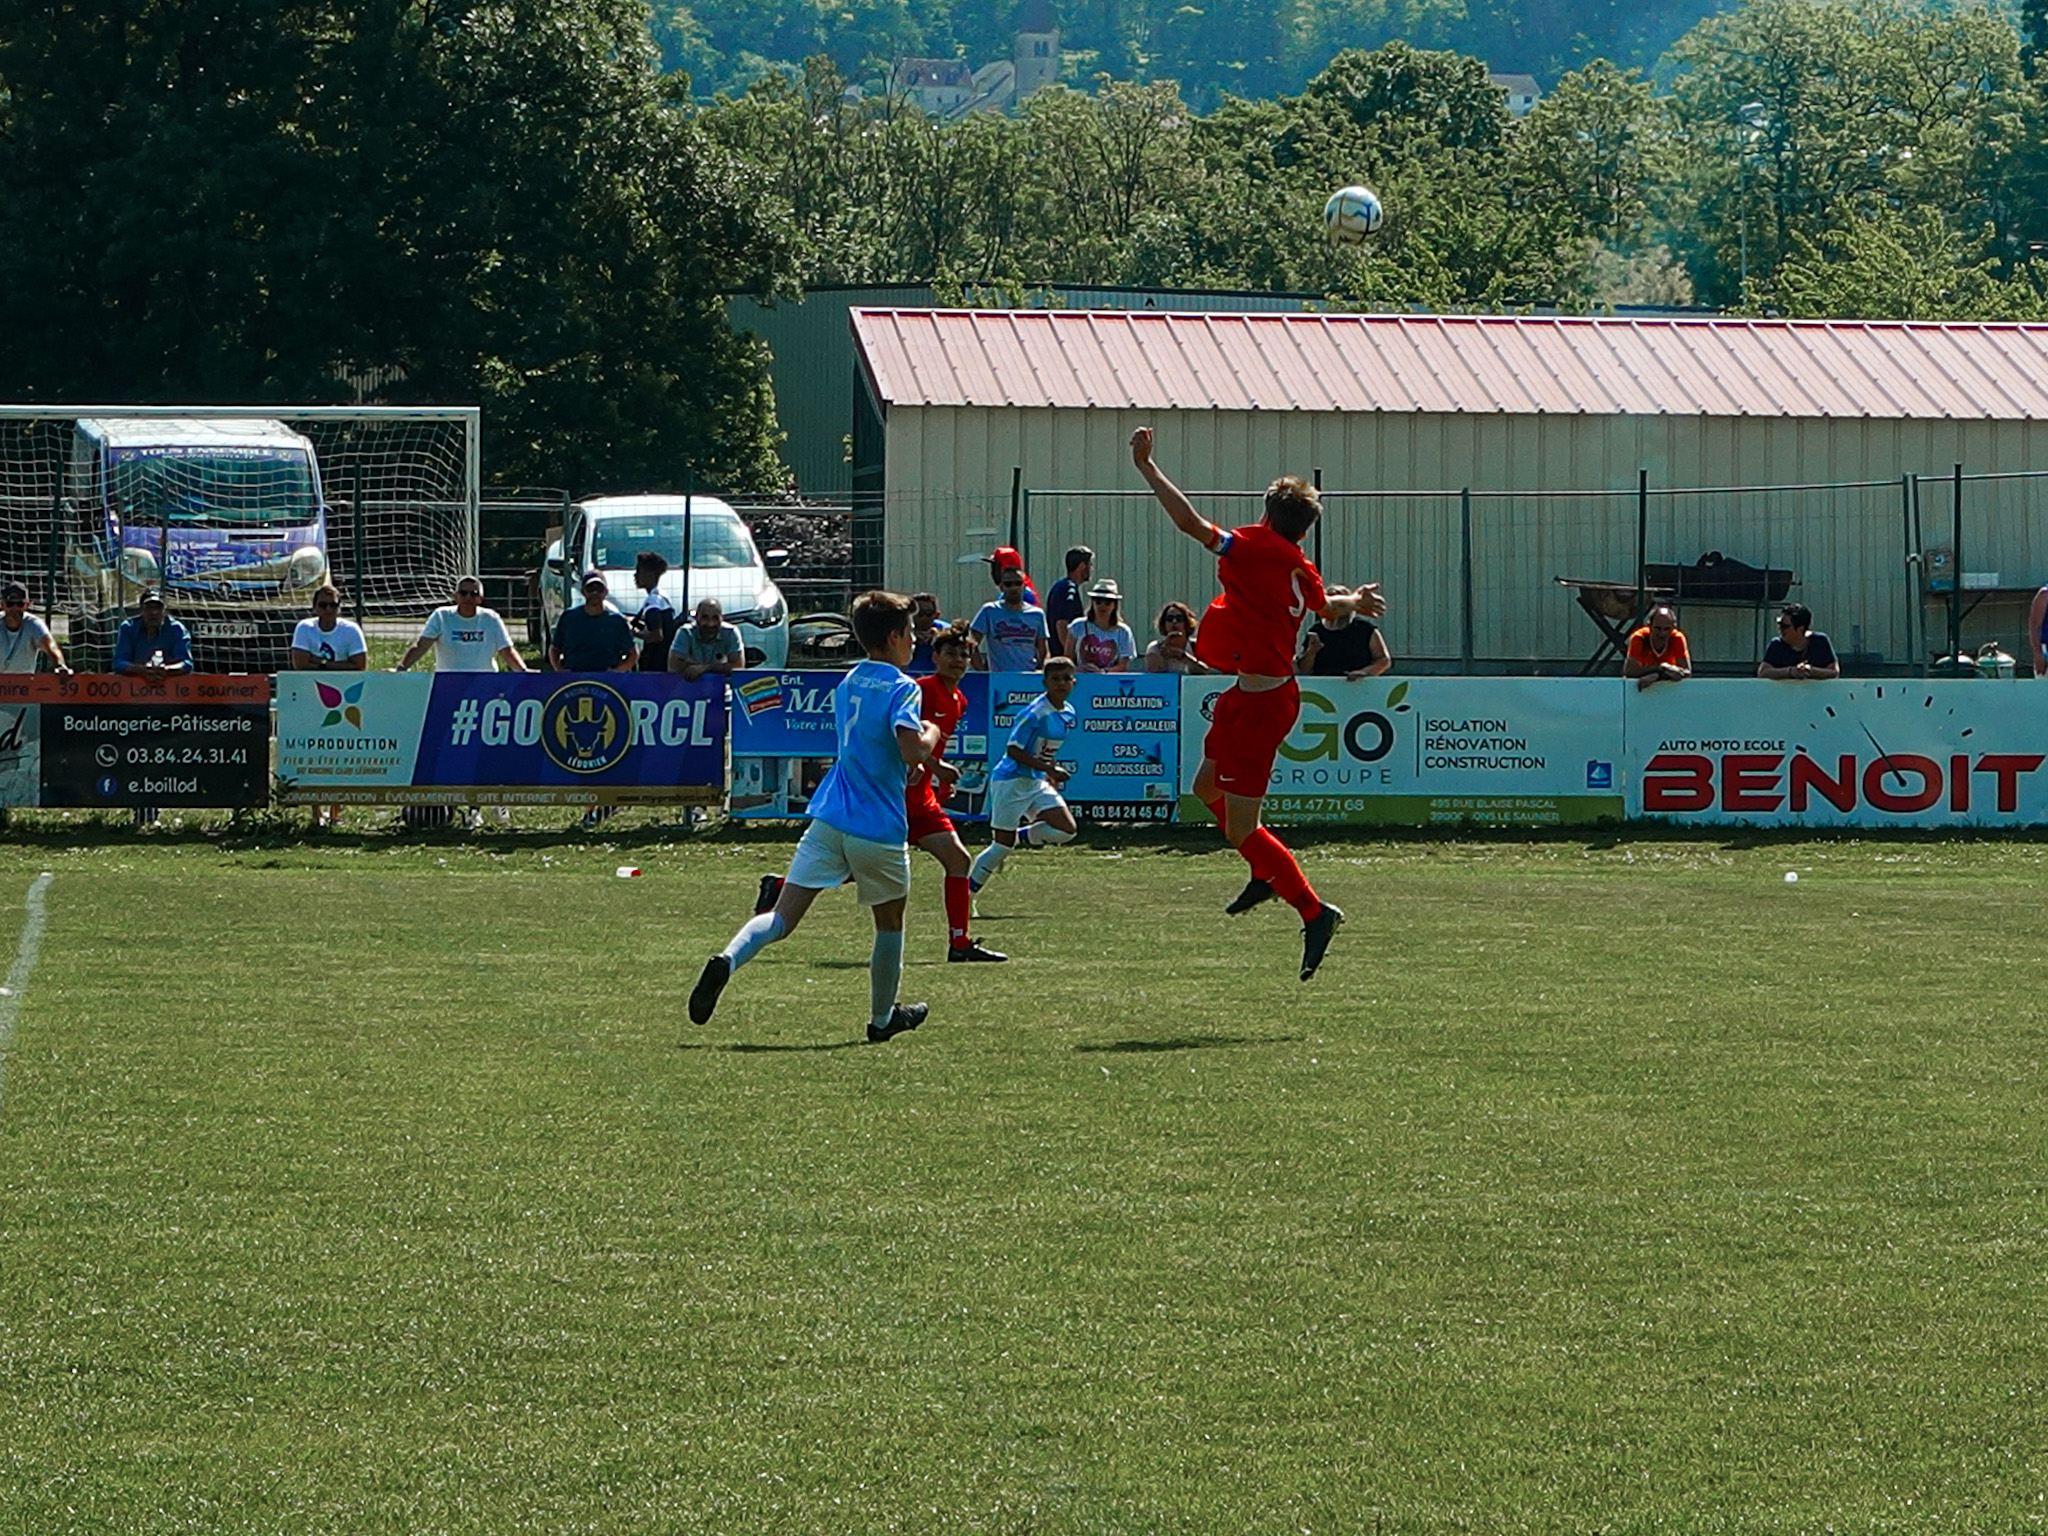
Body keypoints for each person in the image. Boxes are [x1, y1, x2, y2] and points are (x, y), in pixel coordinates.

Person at [1130, 426, 1382, 982]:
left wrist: (1148, 469)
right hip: (1250, 695)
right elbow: (1324, 607)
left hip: (1265, 703)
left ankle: (1314, 911)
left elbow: (1190, 524)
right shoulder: (1299, 564)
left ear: (1266, 512)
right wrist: (1355, 600)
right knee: (1204, 790)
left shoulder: (1249, 545)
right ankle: (1265, 872)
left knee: (1244, 828)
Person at [689, 589, 941, 1044]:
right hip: (878, 825)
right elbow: (908, 748)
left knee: (782, 918)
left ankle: (726, 959)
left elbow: (872, 743)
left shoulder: (850, 681)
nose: (916, 642)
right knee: (890, 924)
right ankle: (883, 1019)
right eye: (910, 633)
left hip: (829, 817)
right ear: (893, 637)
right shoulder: (903, 687)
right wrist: (932, 734)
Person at [755, 622, 1005, 963]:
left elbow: (930, 750)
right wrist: (931, 767)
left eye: (964, 654)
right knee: (862, 868)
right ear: (935, 657)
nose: (958, 660)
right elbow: (907, 741)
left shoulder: (958, 699)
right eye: (950, 654)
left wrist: (939, 780)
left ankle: (959, 944)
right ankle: (784, 888)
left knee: (958, 860)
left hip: (921, 801)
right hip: (892, 800)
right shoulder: (922, 690)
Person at [968, 655, 1079, 900]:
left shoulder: (1069, 712)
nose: (1061, 683)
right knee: (1001, 847)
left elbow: (1044, 748)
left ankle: (1022, 836)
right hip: (1011, 781)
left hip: (1036, 781)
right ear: (1045, 682)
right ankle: (966, 894)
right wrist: (1049, 770)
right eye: (1055, 679)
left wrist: (1048, 770)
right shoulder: (1034, 713)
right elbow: (1013, 750)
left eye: (1066, 678)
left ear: (1074, 682)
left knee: (1067, 830)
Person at [393, 577, 528, 673]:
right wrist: (401, 668)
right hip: (448, 681)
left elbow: (506, 651)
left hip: (484, 681)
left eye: (473, 594)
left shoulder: (491, 618)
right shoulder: (441, 616)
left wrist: (524, 672)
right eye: (463, 593)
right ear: (455, 596)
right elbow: (422, 645)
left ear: (481, 599)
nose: (468, 597)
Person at [550, 572, 638, 674]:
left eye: (599, 589)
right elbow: (554, 649)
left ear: (606, 592)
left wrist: (617, 671)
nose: (595, 593)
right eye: (590, 588)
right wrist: (559, 671)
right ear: (583, 592)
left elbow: (633, 653)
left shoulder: (617, 621)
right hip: (574, 681)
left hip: (606, 683)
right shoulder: (568, 618)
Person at [1299, 586, 1392, 680]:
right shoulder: (1316, 631)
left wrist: (1365, 672)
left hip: (1357, 686)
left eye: (1338, 602)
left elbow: (1383, 660)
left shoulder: (1366, 630)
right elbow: (1304, 669)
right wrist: (1311, 652)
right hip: (1323, 689)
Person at [970, 562, 1050, 672]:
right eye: (1008, 584)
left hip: (1028, 676)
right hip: (999, 678)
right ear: (1002, 587)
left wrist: (1040, 670)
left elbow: (1043, 649)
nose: (1014, 588)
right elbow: (971, 642)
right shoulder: (989, 611)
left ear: (1024, 586)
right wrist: (982, 671)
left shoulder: (1037, 614)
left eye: (1018, 583)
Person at [113, 590, 192, 678]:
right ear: (141, 610)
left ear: (164, 611)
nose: (154, 612)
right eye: (149, 608)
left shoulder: (177, 629)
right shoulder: (128, 628)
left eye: (158, 608)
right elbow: (118, 663)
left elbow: (187, 663)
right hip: (134, 684)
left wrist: (166, 669)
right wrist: (140, 669)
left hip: (170, 684)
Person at [290, 585, 368, 673]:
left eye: (333, 605)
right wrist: (342, 665)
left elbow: (360, 666)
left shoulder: (352, 630)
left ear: (339, 608)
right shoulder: (304, 628)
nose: (328, 609)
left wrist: (321, 663)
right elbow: (301, 666)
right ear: (314, 608)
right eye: (323, 605)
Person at [1067, 578, 1137, 673]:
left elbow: (1123, 666)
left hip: (1109, 682)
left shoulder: (1123, 632)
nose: (1102, 606)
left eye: (1108, 602)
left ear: (1114, 605)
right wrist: (1078, 669)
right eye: (1098, 601)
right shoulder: (1077, 626)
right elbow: (1067, 659)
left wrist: (1102, 672)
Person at [0, 582, 69, 675]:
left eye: (20, 604)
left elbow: (51, 646)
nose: (15, 608)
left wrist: (60, 665)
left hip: (26, 686)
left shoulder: (34, 624)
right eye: (10, 604)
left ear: (27, 605)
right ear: (2, 605)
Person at [668, 597, 743, 681]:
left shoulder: (731, 632)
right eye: (705, 617)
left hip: (723, 686)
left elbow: (738, 667)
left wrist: (704, 668)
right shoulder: (686, 632)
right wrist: (720, 668)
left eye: (715, 618)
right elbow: (673, 665)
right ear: (696, 618)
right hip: (690, 685)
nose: (710, 624)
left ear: (722, 618)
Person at [1759, 603, 1840, 680]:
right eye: (1780, 624)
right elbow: (1763, 672)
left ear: (1800, 629)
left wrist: (1811, 671)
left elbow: (1834, 672)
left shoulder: (1820, 641)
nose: (1780, 629)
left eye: (1785, 626)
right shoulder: (1776, 645)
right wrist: (1790, 672)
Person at [1622, 604, 1690, 690]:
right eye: (1657, 628)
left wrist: (1658, 676)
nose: (1662, 634)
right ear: (1649, 626)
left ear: (1673, 628)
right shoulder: (1639, 638)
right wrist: (1661, 668)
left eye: (1667, 629)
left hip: (1669, 688)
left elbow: (1687, 672)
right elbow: (1629, 671)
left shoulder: (1677, 638)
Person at [632, 551, 678, 673]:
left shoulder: (652, 602)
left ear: (650, 574)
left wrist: (634, 633)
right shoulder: (663, 597)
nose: (635, 576)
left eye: (638, 572)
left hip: (655, 664)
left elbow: (656, 636)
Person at [1044, 546, 1093, 657]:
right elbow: (1061, 623)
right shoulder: (1069, 590)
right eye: (1090, 565)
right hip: (1063, 660)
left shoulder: (1060, 586)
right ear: (1082, 566)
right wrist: (1072, 656)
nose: (1091, 569)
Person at [1143, 600, 1210, 675]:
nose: (1174, 622)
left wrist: (1183, 656)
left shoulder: (1196, 646)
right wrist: (1164, 651)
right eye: (1169, 619)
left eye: (1179, 618)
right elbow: (1154, 673)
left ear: (1187, 622)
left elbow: (1205, 672)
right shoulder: (1155, 647)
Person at [908, 593, 944, 673]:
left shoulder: (942, 629)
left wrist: (940, 638)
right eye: (919, 614)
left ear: (936, 615)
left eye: (928, 614)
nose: (924, 618)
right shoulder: (899, 632)